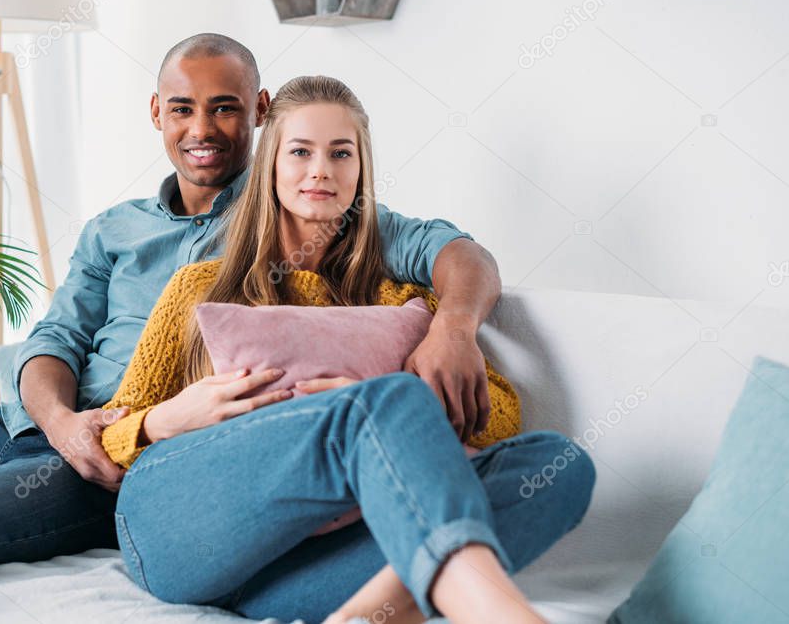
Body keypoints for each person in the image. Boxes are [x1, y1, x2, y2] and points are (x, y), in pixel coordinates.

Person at [0, 34, 510, 624]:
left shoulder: (294, 198)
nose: (203, 129)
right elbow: (53, 339)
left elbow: (459, 253)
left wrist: (453, 327)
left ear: (259, 109)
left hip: (123, 455)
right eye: (183, 108)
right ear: (155, 112)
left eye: (224, 107)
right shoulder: (116, 227)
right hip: (32, 423)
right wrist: (58, 419)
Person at [99, 75, 596, 624]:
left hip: (292, 573)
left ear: (361, 171)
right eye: (300, 152)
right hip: (181, 529)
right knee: (380, 403)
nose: (320, 170)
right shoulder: (199, 287)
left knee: (557, 463)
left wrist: (394, 410)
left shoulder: (404, 302)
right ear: (271, 166)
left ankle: (382, 604)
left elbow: (499, 420)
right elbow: (111, 436)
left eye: (341, 153)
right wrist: (164, 419)